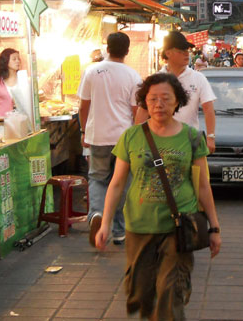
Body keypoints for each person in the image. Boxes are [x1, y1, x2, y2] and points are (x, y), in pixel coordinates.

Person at [95, 73, 221, 319]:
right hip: (139, 226)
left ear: (178, 102)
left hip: (179, 226)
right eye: (152, 99)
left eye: (166, 99)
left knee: (171, 292)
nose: (159, 105)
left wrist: (214, 227)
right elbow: (117, 183)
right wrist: (106, 223)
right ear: (145, 102)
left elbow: (203, 186)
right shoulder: (131, 136)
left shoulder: (192, 137)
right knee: (141, 295)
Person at [79, 32, 142, 247]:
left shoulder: (91, 71)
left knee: (98, 179)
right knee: (122, 182)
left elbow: (83, 106)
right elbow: (137, 111)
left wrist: (83, 131)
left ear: (107, 47)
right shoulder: (133, 76)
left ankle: (97, 214)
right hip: (124, 137)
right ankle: (118, 230)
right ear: (127, 50)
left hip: (98, 135)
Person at [136, 31, 217, 154]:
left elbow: (208, 109)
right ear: (168, 53)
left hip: (188, 141)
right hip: (159, 142)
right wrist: (138, 137)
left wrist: (211, 136)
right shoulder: (155, 79)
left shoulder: (198, 78)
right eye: (181, 51)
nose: (186, 54)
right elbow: (143, 110)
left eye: (187, 51)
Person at [0, 48, 23, 118]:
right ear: (5, 61)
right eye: (14, 59)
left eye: (18, 59)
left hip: (21, 122)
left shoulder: (23, 79)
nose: (17, 61)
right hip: (2, 122)